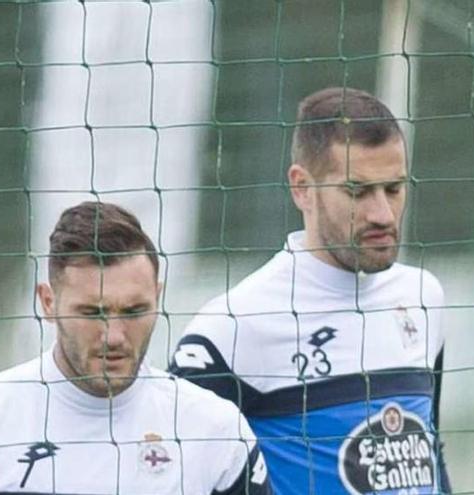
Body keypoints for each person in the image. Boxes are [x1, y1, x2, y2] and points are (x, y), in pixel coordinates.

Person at [170, 87, 450, 494]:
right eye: (357, 191)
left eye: (394, 189)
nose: (383, 214)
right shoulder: (233, 327)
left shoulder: (424, 297)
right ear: (302, 187)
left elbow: (431, 454)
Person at [0, 202, 271, 495]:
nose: (114, 335)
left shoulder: (215, 431)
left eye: (134, 310)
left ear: (158, 297)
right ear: (47, 302)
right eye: (92, 312)